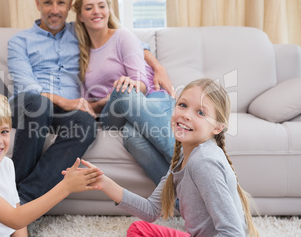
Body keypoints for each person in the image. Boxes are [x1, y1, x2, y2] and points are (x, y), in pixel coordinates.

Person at [7, 0, 171, 202]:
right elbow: (28, 86)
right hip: (28, 105)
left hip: (65, 113)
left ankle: (24, 200)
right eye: (47, 3)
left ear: (70, 5)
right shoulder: (19, 41)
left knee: (85, 123)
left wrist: (158, 66)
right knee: (38, 103)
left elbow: (129, 41)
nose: (54, 10)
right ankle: (11, 192)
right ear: (37, 4)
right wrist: (67, 102)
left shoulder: (80, 30)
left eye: (61, 3)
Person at [74, 78, 260, 236]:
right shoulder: (183, 159)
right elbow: (150, 210)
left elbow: (233, 233)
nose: (186, 115)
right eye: (183, 105)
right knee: (139, 229)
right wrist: (104, 182)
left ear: (217, 128)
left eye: (200, 112)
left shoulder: (204, 162)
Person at [0, 88, 102, 237]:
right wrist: (66, 187)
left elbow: (18, 217)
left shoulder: (6, 164)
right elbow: (15, 219)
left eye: (4, 132)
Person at [72, 0, 176, 184]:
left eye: (101, 6)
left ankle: (183, 202)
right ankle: (189, 163)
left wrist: (128, 86)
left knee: (134, 139)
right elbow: (88, 106)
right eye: (89, 8)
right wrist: (110, 97)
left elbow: (143, 85)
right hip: (114, 113)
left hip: (151, 100)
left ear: (109, 10)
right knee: (123, 92)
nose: (96, 11)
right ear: (79, 16)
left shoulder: (122, 36)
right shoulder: (82, 54)